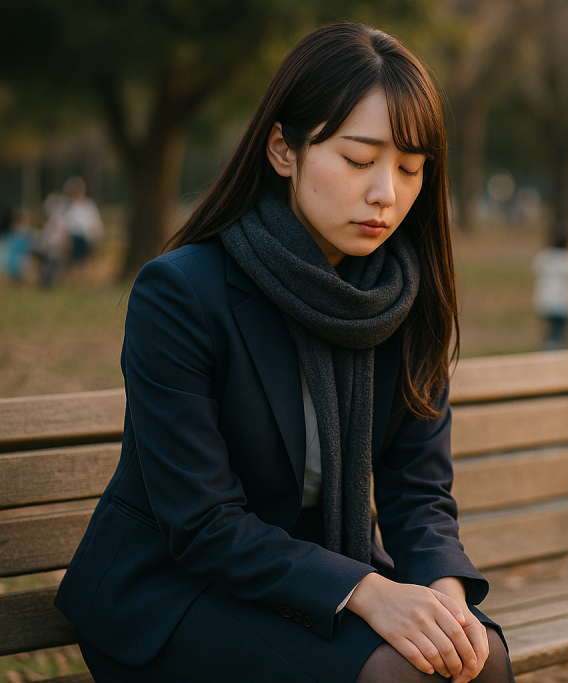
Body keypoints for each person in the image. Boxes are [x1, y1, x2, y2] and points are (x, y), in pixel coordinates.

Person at [54, 23, 514, 683]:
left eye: (411, 168)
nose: (387, 192)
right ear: (282, 149)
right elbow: (203, 523)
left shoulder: (401, 297)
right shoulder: (181, 293)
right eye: (360, 160)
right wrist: (370, 590)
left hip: (319, 569)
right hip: (175, 594)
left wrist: (443, 591)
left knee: (479, 660)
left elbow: (418, 488)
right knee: (395, 674)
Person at [62, 176, 104, 273]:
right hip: (70, 239)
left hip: (86, 238)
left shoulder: (88, 206)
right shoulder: (66, 207)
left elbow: (95, 225)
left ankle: (81, 271)